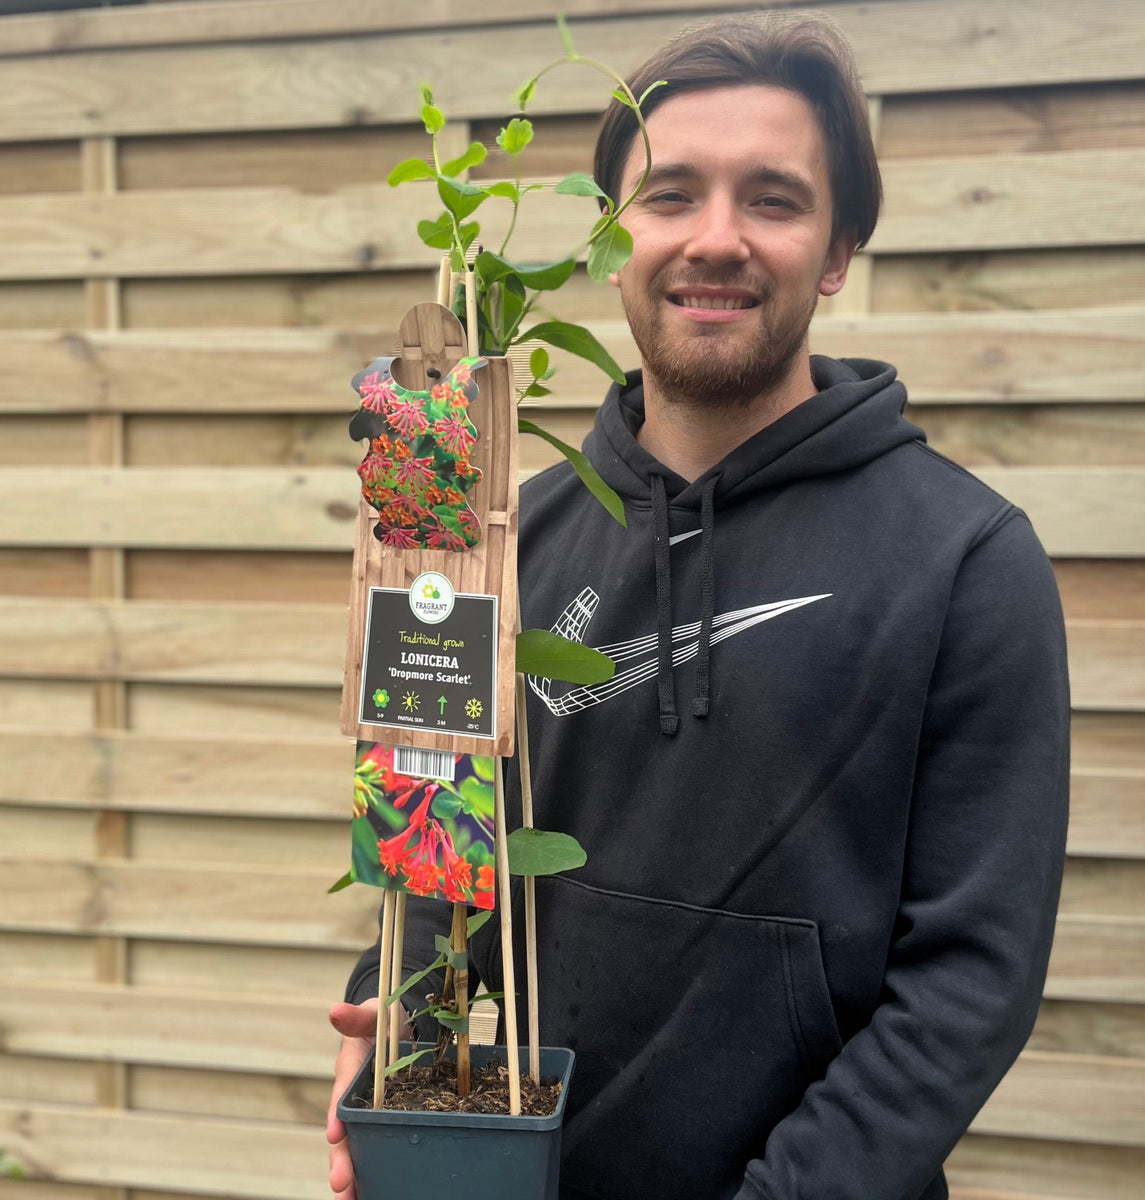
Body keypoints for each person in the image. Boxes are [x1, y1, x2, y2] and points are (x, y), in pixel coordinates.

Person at [327, 12, 1070, 1200]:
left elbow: (971, 984)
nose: (715, 239)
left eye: (773, 199)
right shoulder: (497, 544)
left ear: (838, 249)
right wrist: (399, 1034)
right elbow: (443, 833)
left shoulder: (967, 562)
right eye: (671, 195)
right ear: (614, 236)